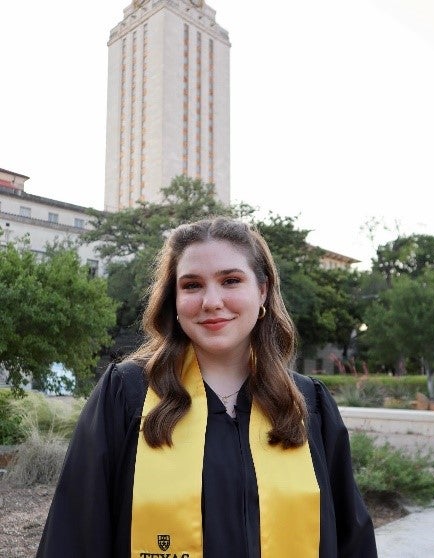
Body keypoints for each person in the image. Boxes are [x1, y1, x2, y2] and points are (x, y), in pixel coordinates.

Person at [37, 217, 377, 558]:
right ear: (174, 298)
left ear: (262, 290)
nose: (211, 301)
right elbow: (75, 537)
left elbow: (352, 542)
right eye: (192, 285)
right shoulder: (127, 396)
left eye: (230, 280)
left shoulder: (304, 404)